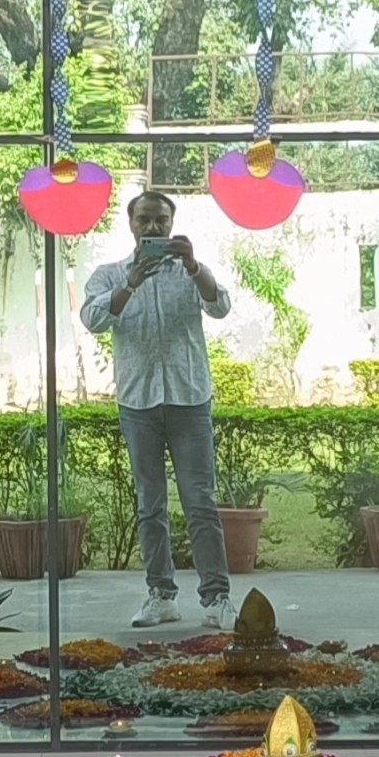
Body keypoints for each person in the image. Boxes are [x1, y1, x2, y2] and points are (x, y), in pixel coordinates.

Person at [79, 189, 234, 628]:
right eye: (144, 219)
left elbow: (220, 306)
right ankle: (160, 594)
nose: (153, 227)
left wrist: (194, 266)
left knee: (200, 502)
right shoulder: (110, 274)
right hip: (138, 402)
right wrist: (131, 283)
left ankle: (216, 599)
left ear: (171, 223)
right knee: (150, 504)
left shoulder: (190, 271)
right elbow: (92, 320)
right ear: (131, 225)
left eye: (160, 220)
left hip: (189, 400)